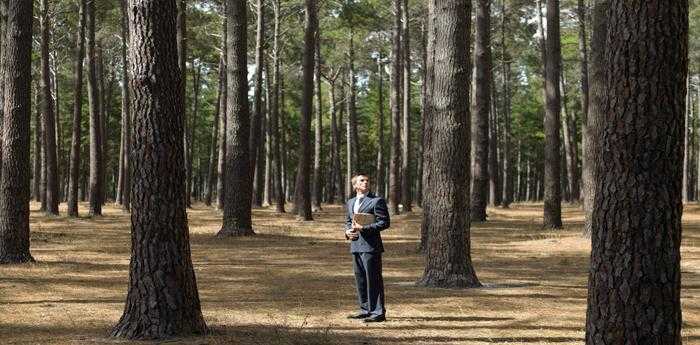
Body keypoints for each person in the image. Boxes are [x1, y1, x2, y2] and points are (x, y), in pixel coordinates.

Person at [344, 172, 390, 323]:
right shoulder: (350, 202)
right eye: (362, 180)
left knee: (373, 280)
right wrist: (347, 231)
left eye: (367, 180)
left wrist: (364, 228)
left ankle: (378, 313)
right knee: (361, 280)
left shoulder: (377, 201)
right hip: (355, 246)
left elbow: (384, 223)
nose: (366, 182)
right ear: (355, 185)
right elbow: (348, 221)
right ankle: (365, 309)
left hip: (371, 247)